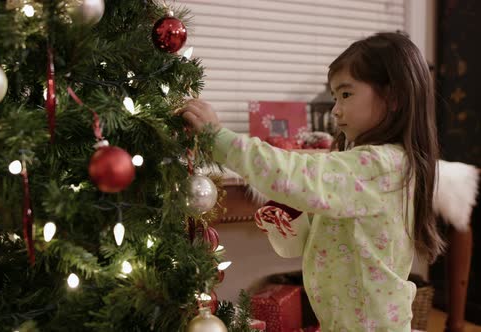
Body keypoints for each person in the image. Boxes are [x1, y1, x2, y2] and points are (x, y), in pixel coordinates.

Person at [178, 32, 444, 331]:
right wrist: (291, 224)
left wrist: (220, 140)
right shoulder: (362, 164)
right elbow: (316, 241)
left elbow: (293, 172)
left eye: (346, 94)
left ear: (393, 97)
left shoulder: (381, 166)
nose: (335, 109)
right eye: (334, 97)